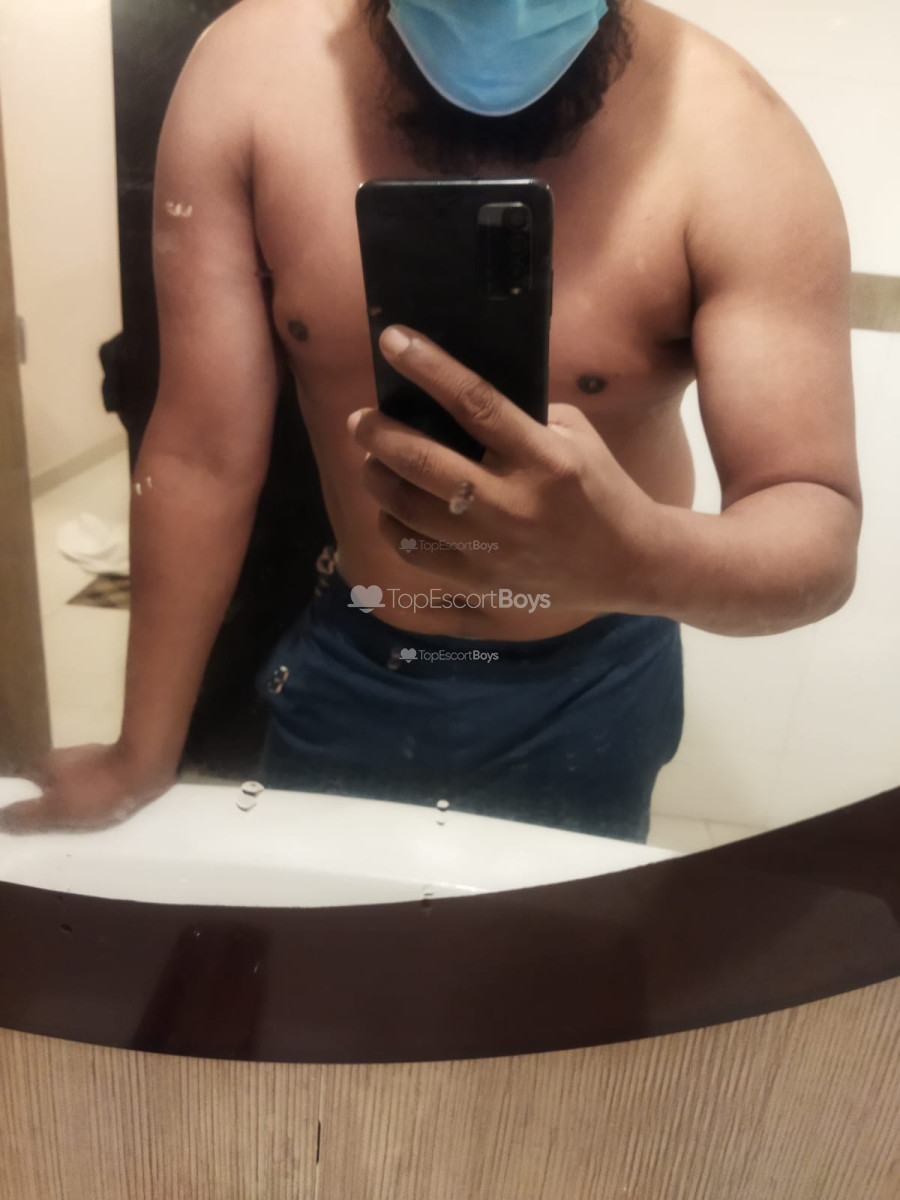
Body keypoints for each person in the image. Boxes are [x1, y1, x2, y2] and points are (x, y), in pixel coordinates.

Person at [4, 0, 861, 837]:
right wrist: (141, 755)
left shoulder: (733, 133)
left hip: (592, 681)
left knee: (552, 937)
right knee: (325, 930)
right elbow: (200, 453)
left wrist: (637, 559)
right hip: (358, 649)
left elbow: (816, 529)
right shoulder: (250, 72)